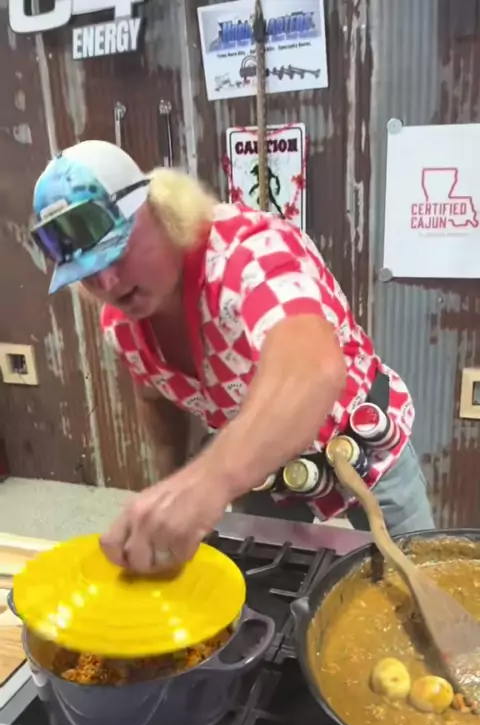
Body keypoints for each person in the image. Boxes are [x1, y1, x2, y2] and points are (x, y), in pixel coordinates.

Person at [30, 140, 435, 574]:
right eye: (89, 273)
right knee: (258, 584)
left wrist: (208, 480)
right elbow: (154, 395)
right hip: (263, 466)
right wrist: (172, 484)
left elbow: (314, 369)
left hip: (364, 440)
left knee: (422, 575)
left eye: (119, 250)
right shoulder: (122, 323)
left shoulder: (249, 253)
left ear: (160, 211)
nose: (108, 283)